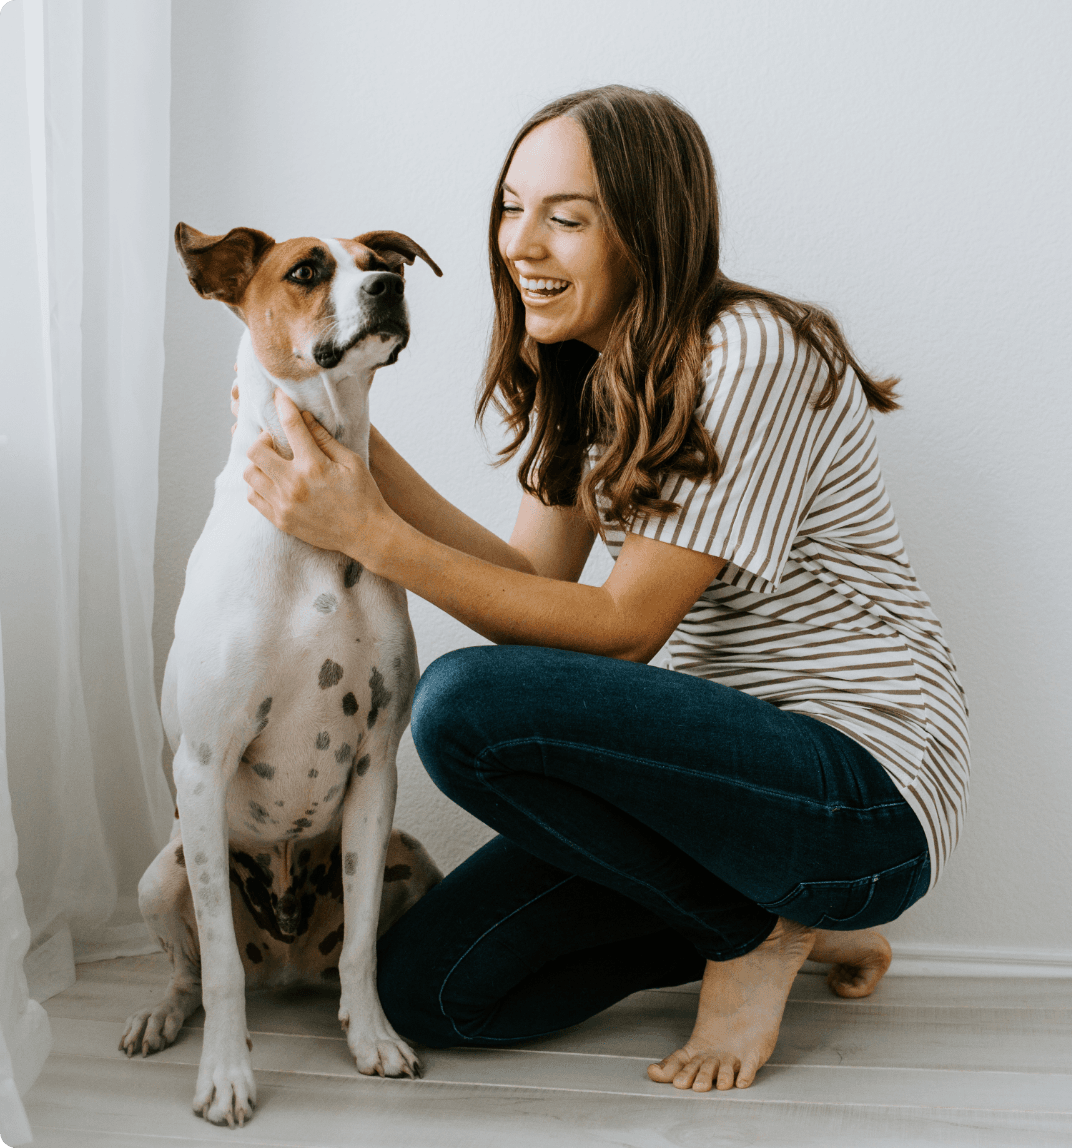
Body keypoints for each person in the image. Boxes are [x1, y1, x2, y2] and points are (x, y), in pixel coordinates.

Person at [240, 85, 969, 1093]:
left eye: (564, 218)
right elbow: (534, 581)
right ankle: (803, 919)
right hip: (711, 801)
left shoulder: (750, 349)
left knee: (465, 705)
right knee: (433, 993)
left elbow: (622, 631)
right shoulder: (587, 372)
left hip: (857, 792)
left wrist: (369, 533)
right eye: (508, 207)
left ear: (648, 231)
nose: (518, 243)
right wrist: (353, 443)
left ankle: (767, 921)